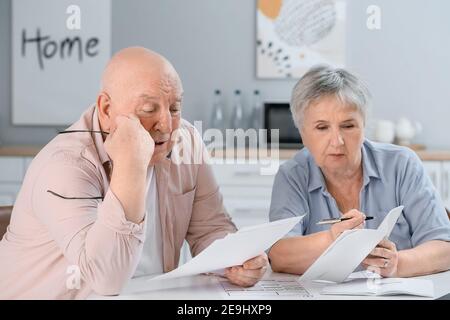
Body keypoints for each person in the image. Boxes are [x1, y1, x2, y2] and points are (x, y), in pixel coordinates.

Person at [0, 47, 267, 299]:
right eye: (148, 110)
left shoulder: (187, 141)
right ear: (106, 109)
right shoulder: (65, 164)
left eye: (174, 108)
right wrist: (131, 164)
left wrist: (234, 259)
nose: (166, 124)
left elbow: (211, 227)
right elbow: (106, 278)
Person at [268, 65, 450, 278]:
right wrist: (332, 239)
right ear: (303, 133)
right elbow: (279, 255)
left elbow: (444, 248)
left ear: (364, 126)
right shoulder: (292, 175)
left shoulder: (402, 163)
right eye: (322, 127)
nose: (337, 141)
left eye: (348, 126)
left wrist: (397, 264)